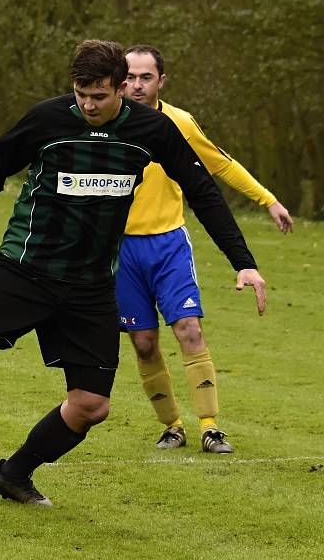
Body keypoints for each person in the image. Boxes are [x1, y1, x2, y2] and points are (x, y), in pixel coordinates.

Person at [0, 40, 267, 506]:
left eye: (99, 96)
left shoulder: (154, 130)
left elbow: (203, 192)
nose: (88, 105)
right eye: (81, 94)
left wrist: (244, 262)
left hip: (90, 287)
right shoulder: (48, 119)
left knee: (92, 407)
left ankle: (15, 474)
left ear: (122, 89)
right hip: (24, 268)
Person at [119, 44, 292, 453]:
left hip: (168, 245)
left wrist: (267, 199)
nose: (138, 85)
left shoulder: (178, 123)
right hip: (121, 252)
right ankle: (172, 426)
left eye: (147, 77)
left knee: (189, 329)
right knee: (143, 343)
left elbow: (221, 165)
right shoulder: (106, 125)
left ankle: (211, 427)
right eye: (131, 77)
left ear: (161, 81)